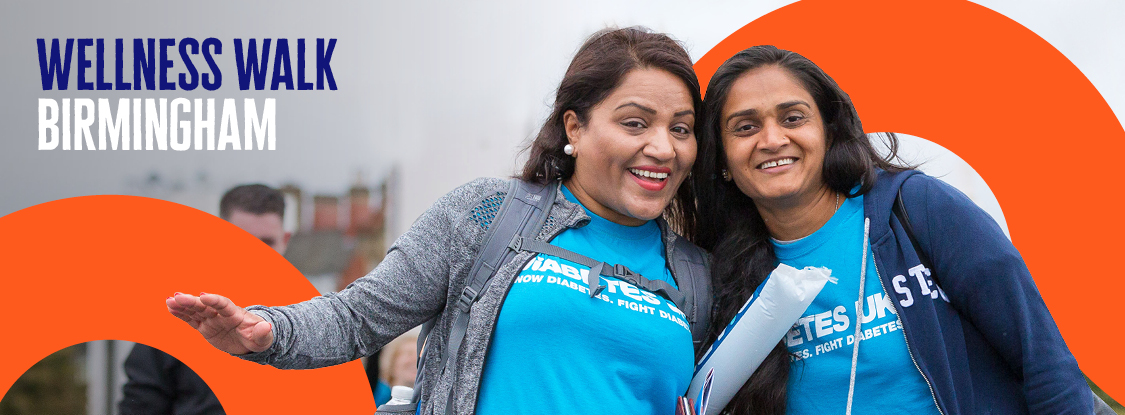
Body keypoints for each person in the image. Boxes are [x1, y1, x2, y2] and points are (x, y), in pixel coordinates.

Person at [166, 26, 710, 415]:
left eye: (681, 129)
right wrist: (266, 332)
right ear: (575, 127)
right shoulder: (489, 213)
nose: (662, 147)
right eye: (635, 122)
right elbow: (357, 317)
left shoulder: (697, 276)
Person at [691, 45, 1092, 414]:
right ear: (722, 159)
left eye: (793, 118)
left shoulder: (917, 209)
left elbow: (1046, 365)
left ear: (829, 132)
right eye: (745, 127)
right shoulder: (718, 273)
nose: (773, 139)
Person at [121, 184, 290, 415]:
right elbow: (141, 404)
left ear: (286, 240)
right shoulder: (181, 315)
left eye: (266, 243)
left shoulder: (313, 320)